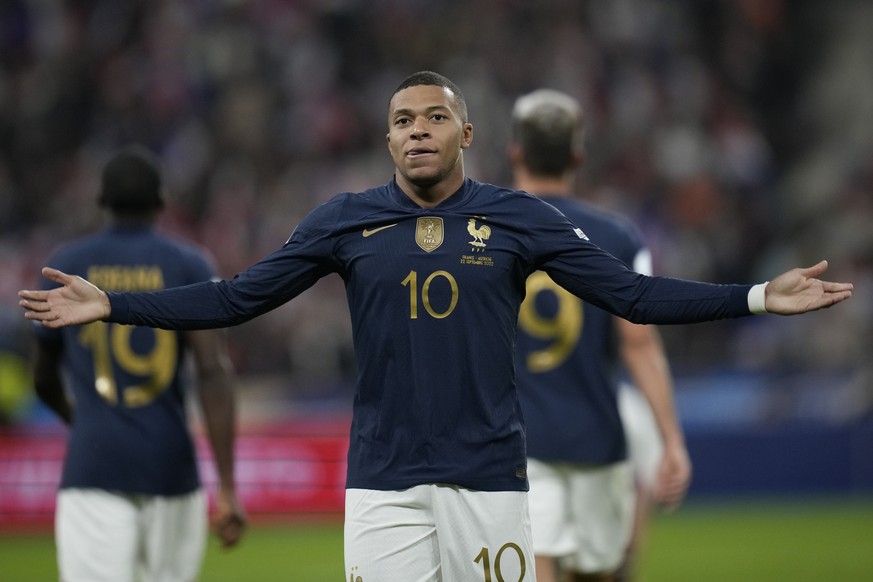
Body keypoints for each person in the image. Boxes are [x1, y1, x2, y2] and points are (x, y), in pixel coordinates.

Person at [19, 71, 852, 582]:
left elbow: (630, 298)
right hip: (381, 480)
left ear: (466, 133)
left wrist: (752, 297)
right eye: (402, 121)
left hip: (488, 476)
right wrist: (113, 303)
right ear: (386, 140)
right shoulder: (345, 220)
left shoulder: (517, 218)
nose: (418, 130)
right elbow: (237, 299)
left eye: (433, 117)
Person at [29, 146, 246, 582]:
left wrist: (84, 420)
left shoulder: (67, 266)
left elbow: (43, 378)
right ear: (162, 202)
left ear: (101, 202)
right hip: (171, 469)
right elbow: (213, 373)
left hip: (93, 467)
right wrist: (226, 486)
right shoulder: (189, 263)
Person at [509, 89, 689, 582]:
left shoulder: (485, 230)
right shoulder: (620, 237)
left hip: (515, 442)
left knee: (536, 570)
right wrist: (672, 439)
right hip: (597, 439)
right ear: (578, 157)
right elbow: (640, 345)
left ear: (516, 152)